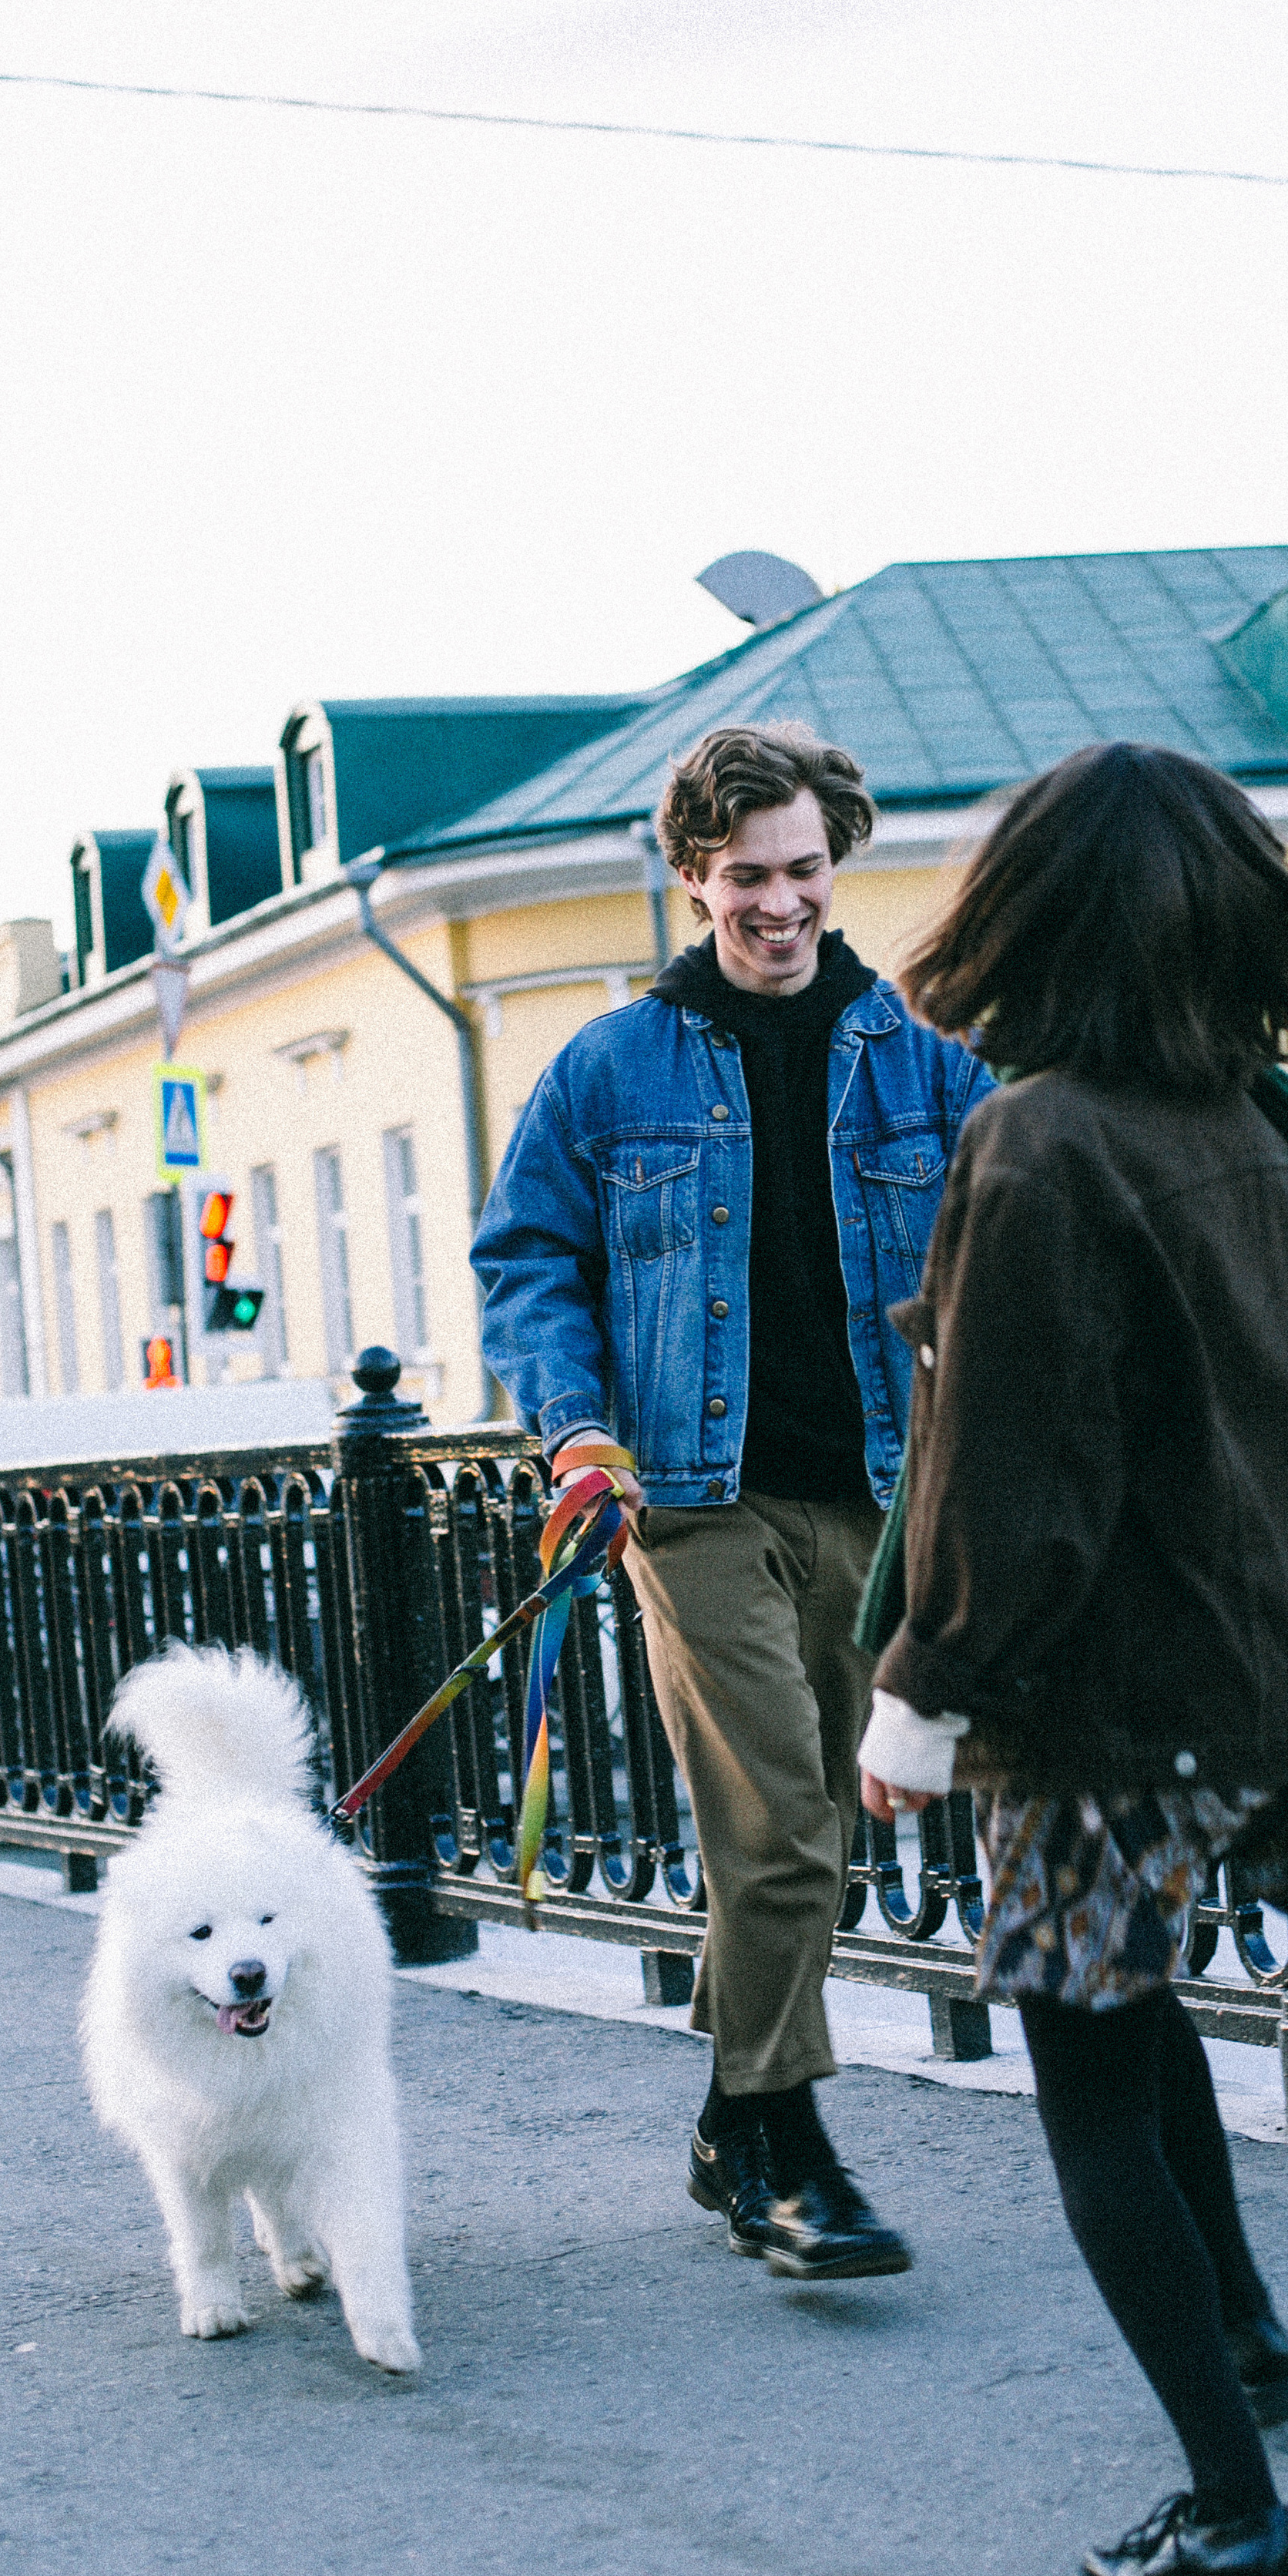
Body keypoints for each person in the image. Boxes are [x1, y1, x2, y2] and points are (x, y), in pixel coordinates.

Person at [855, 744, 1288, 2576]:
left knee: (1082, 2063)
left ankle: (1232, 2515)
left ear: (1026, 910)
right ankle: (1252, 2342)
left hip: (1112, 1711)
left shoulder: (1040, 1138)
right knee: (1136, 2016)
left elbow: (1012, 1479)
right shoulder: (1258, 1118)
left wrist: (919, 1694)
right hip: (1282, 1688)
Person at [473, 721, 989, 2280]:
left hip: (881, 1500)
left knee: (816, 1841)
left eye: (805, 872)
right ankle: (794, 2155)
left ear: (837, 864)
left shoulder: (926, 1062)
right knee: (776, 1830)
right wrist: (572, 1429)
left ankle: (728, 2120)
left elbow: (1004, 1247)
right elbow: (527, 1263)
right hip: (687, 1505)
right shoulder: (608, 1067)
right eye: (746, 877)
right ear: (691, 875)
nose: (779, 905)